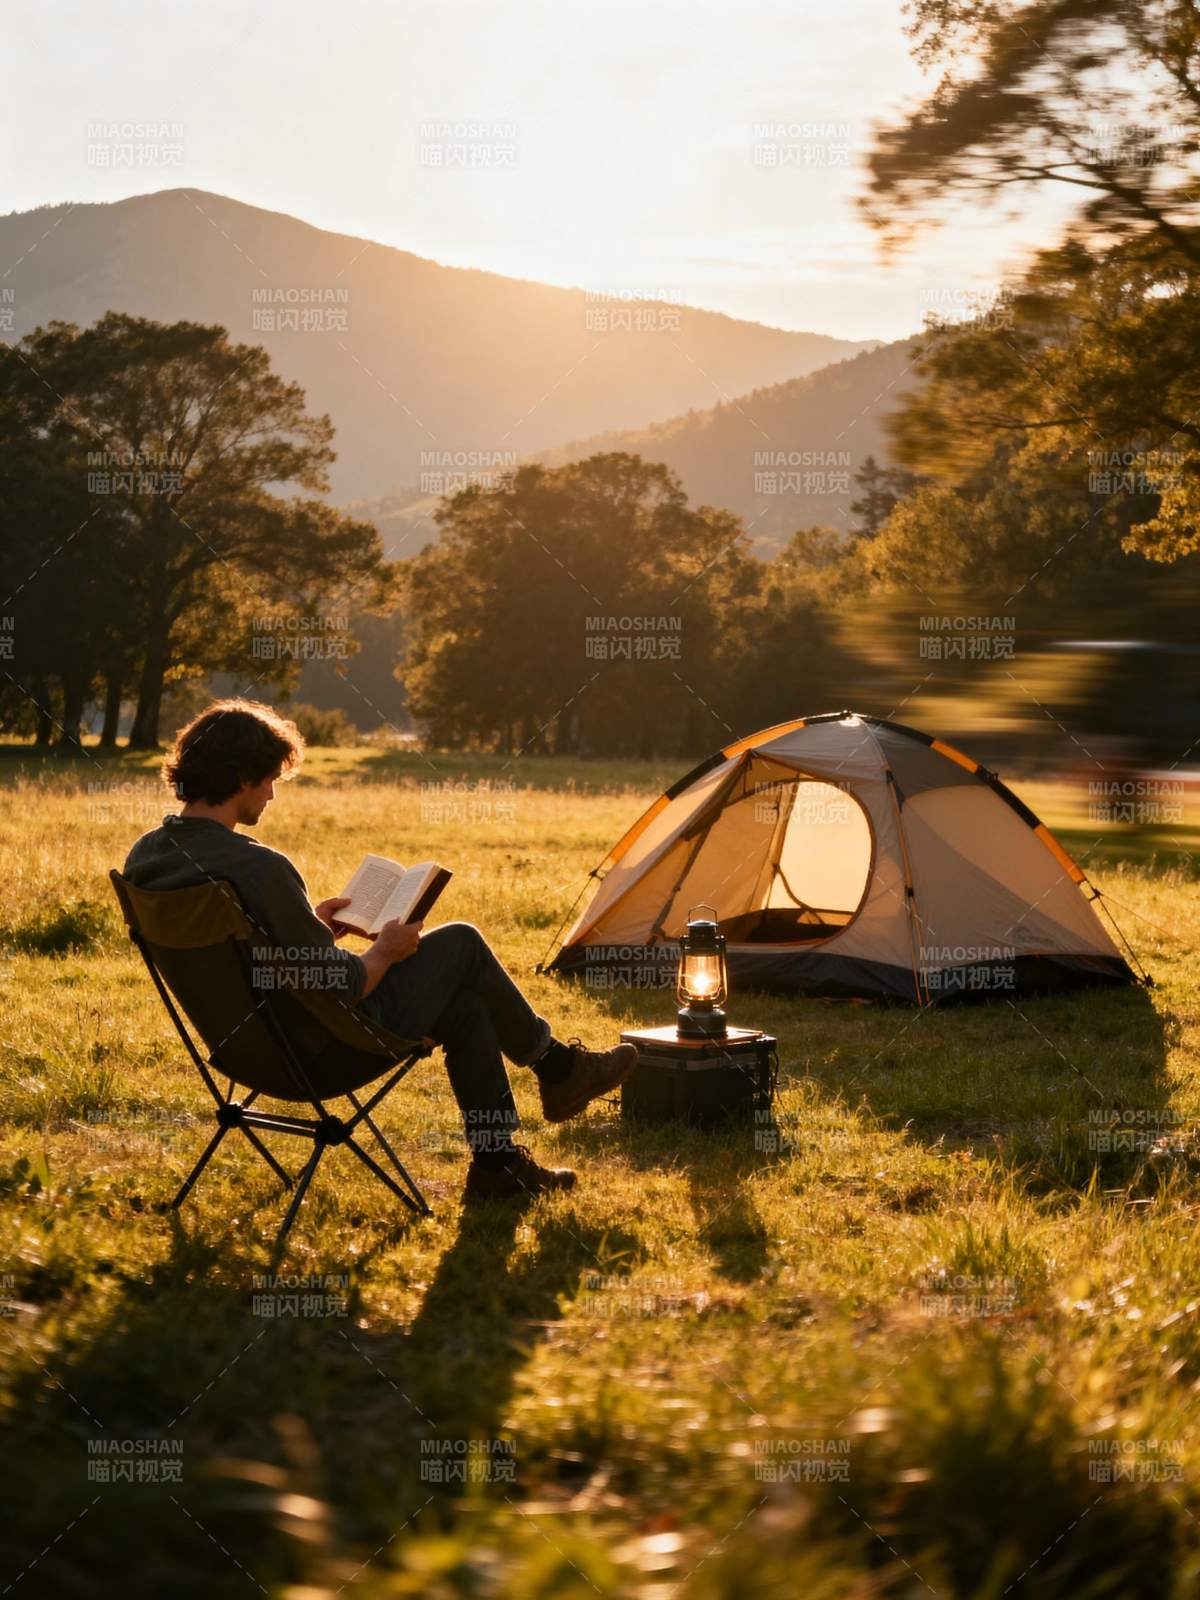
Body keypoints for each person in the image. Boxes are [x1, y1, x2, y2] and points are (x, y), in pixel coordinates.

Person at [122, 698, 636, 1201]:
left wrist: (313, 929)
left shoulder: (146, 855)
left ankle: (497, 1165)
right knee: (461, 942)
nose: (272, 795)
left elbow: (252, 956)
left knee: (466, 1007)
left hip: (246, 1053)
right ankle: (558, 1068)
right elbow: (344, 985)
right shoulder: (258, 868)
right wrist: (385, 950)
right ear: (241, 776)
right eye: (270, 778)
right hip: (321, 1053)